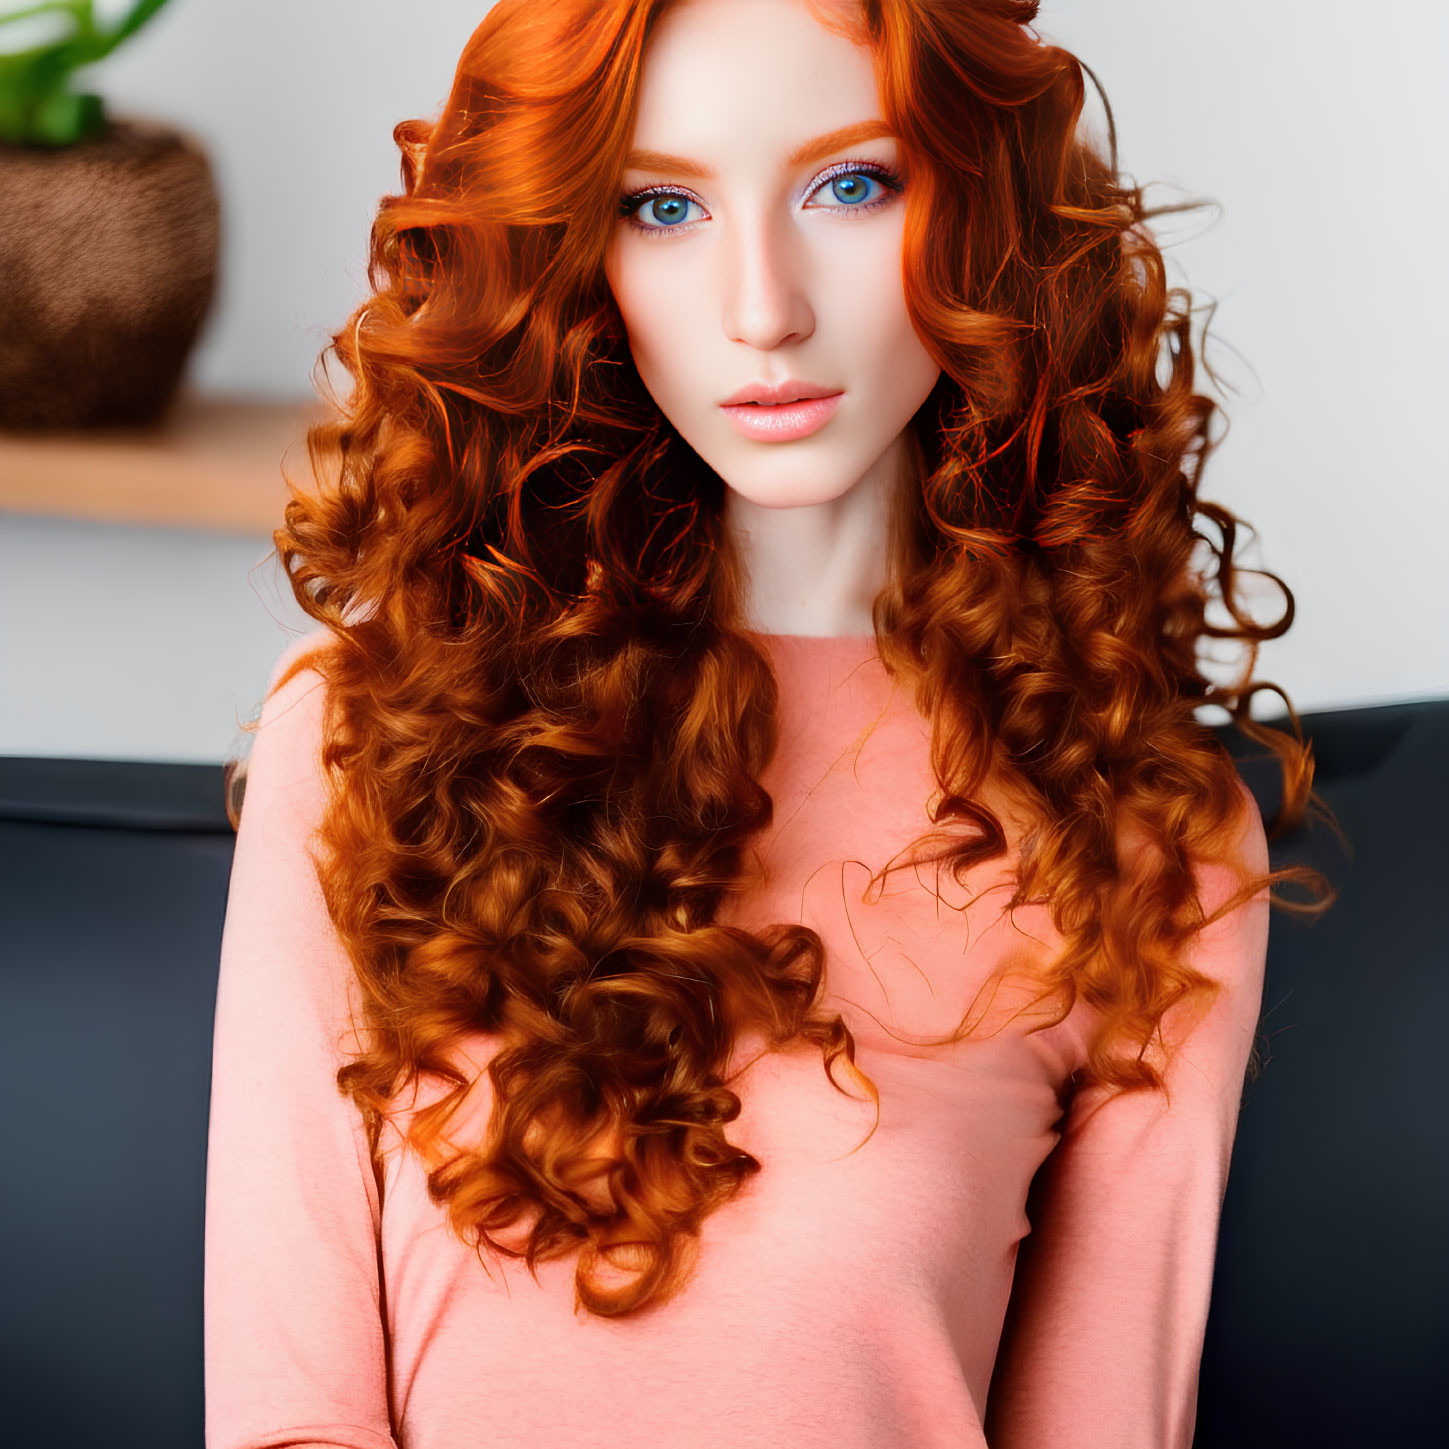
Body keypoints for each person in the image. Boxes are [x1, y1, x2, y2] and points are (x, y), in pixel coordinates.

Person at [205, 1, 1333, 1446]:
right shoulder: (365, 739)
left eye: (849, 185)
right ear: (575, 255)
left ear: (979, 209)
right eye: (660, 206)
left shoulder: (1148, 843)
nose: (763, 307)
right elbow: (287, 1411)